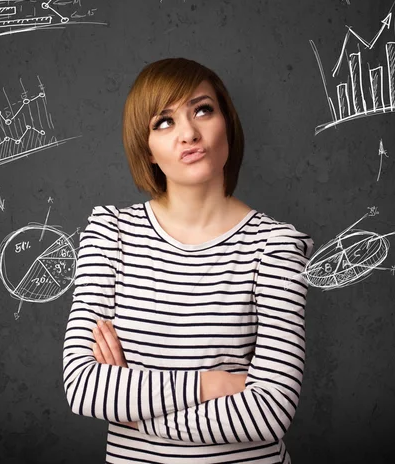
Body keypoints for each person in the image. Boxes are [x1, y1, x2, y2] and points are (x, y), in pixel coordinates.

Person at [63, 57, 313, 463]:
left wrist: (135, 415)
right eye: (164, 122)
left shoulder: (276, 246)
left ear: (226, 124)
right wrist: (210, 385)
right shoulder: (110, 234)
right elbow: (83, 386)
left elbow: (270, 412)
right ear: (147, 152)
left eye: (202, 110)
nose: (189, 134)